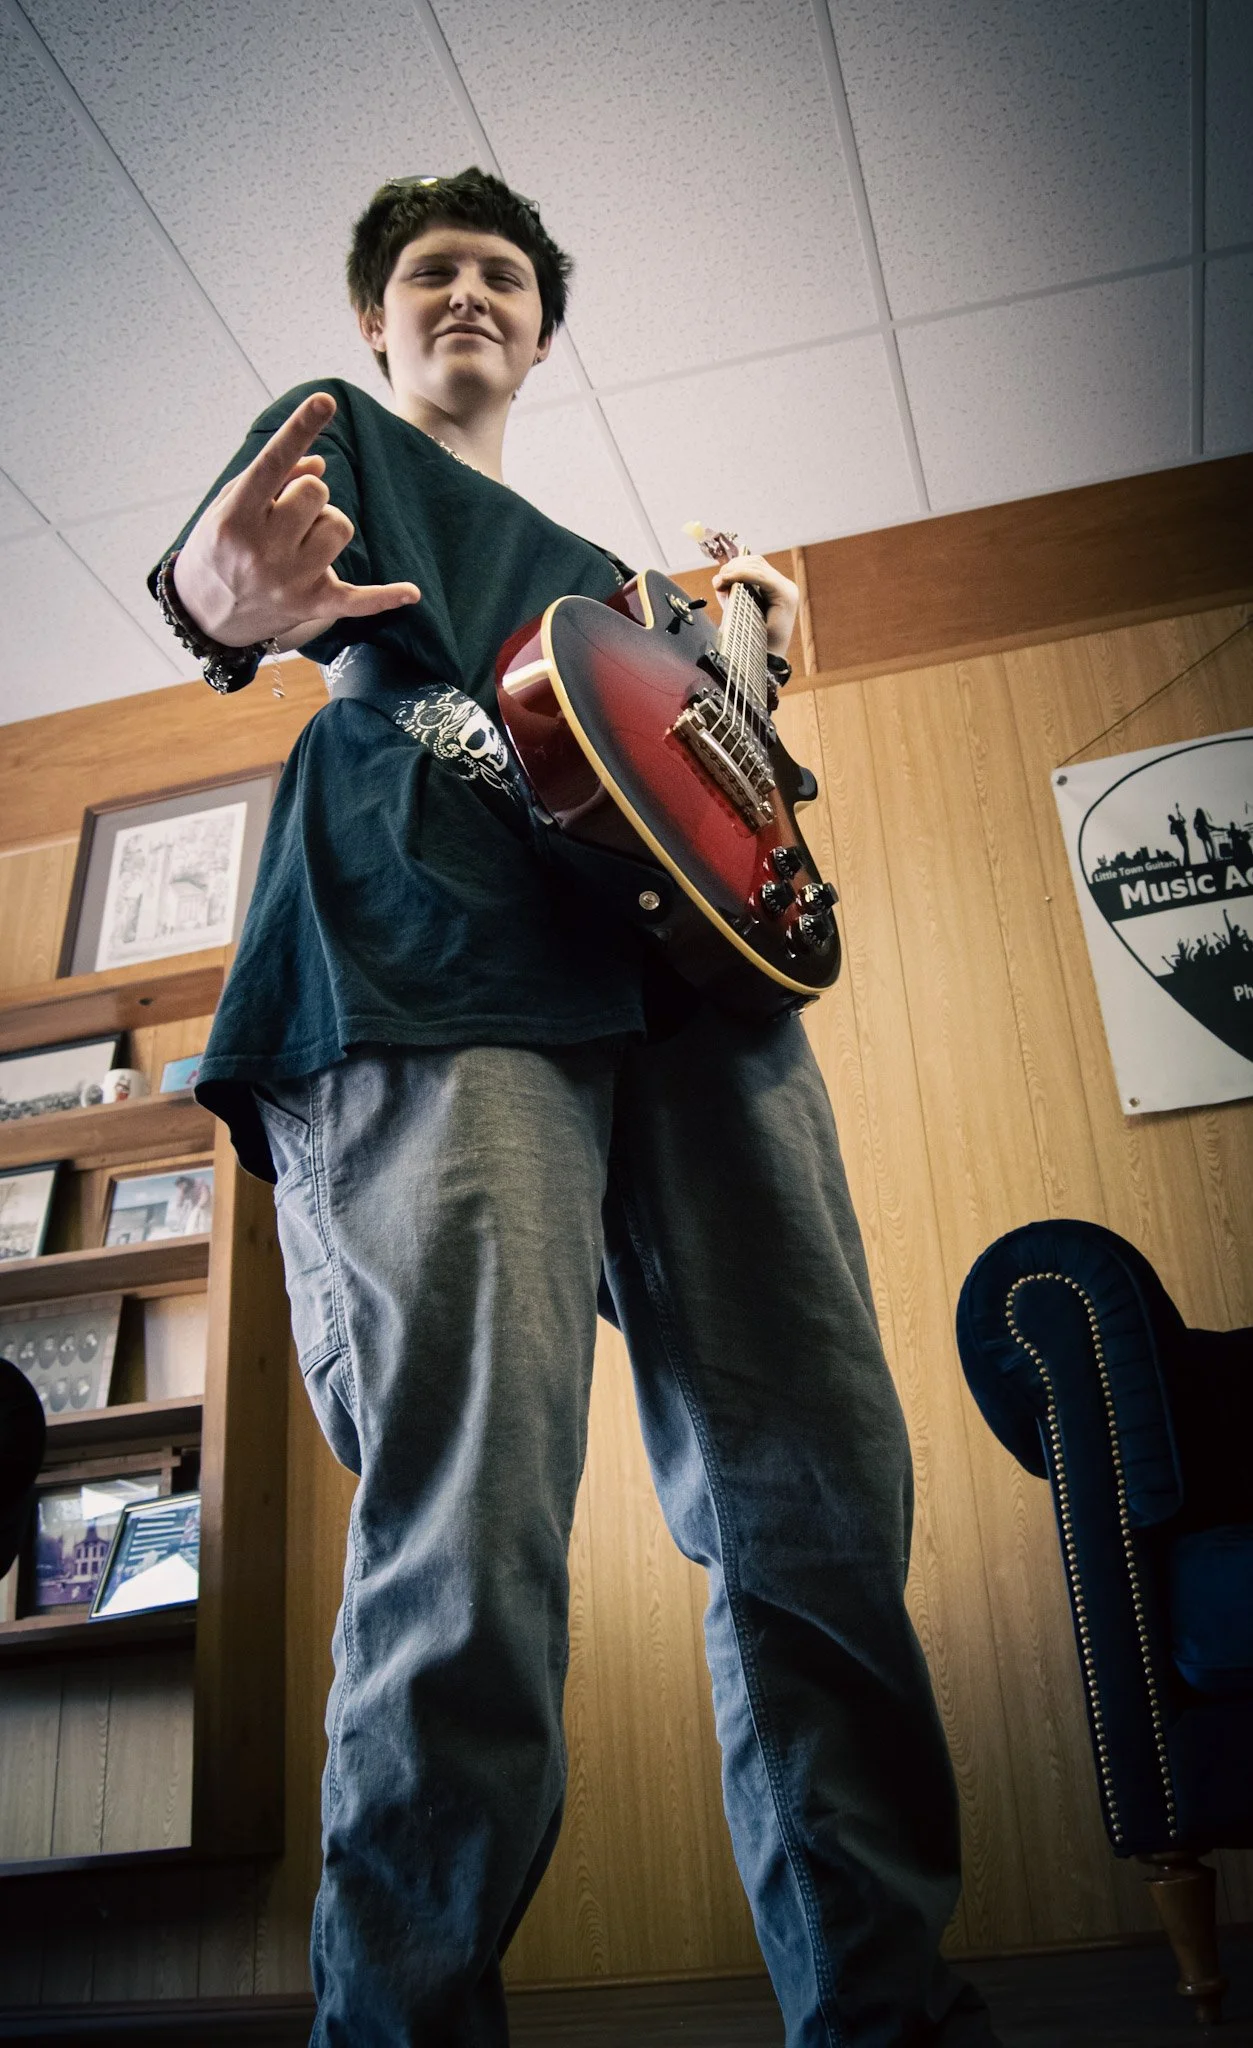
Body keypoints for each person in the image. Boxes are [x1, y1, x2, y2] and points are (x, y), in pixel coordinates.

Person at [149, 168, 1000, 2048]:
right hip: (432, 966)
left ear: (543, 328)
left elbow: (756, 830)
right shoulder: (344, 441)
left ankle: (885, 2014)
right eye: (432, 272)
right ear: (380, 319)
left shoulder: (644, 603)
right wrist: (226, 596)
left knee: (824, 1506)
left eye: (504, 275)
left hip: (699, 1010)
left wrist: (759, 683)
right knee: (474, 1521)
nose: (468, 293)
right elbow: (221, 579)